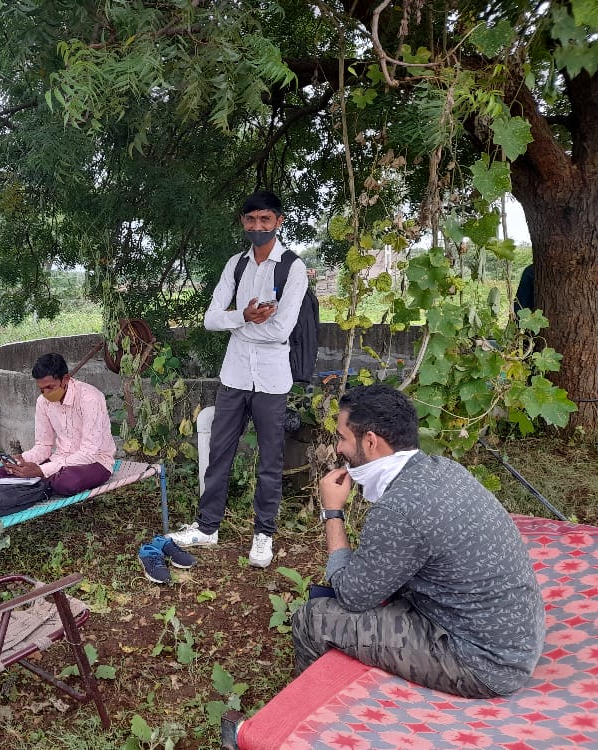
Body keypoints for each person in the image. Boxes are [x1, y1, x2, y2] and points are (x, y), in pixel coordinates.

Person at [292, 384, 545, 697]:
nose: (340, 449)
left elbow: (352, 596)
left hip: (483, 662)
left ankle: (309, 719)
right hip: (515, 636)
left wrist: (332, 512)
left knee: (313, 619)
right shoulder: (443, 469)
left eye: (343, 438)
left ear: (370, 441)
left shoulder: (399, 509)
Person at [168, 190, 308, 568]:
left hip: (273, 380)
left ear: (279, 221)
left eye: (265, 220)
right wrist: (243, 318)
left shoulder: (292, 268)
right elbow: (210, 319)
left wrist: (237, 325)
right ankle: (207, 527)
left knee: (270, 461)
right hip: (234, 375)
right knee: (219, 454)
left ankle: (263, 536)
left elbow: (282, 331)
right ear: (243, 223)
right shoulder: (235, 265)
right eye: (251, 220)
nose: (258, 227)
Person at [0, 352, 115, 496]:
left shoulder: (90, 399)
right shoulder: (43, 401)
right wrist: (23, 460)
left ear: (65, 379)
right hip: (58, 460)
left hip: (95, 463)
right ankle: (36, 483)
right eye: (41, 389)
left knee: (66, 483)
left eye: (50, 387)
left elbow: (89, 453)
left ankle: (32, 483)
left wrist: (42, 470)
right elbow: (43, 445)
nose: (46, 393)